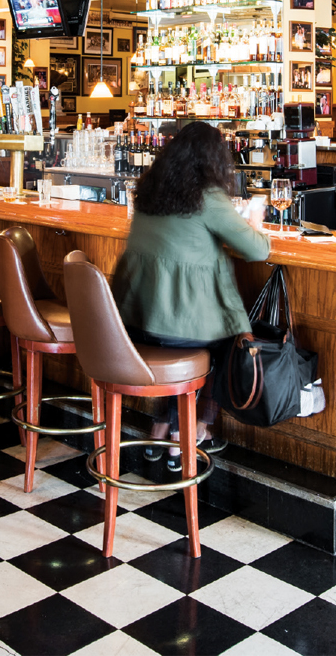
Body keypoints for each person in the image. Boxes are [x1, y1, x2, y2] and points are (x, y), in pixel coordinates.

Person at [111, 122, 270, 471]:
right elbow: (257, 250)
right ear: (214, 161)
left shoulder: (149, 191)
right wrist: (255, 218)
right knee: (229, 344)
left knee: (180, 346)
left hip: (134, 318)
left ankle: (160, 431)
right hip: (174, 325)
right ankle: (193, 432)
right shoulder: (209, 198)